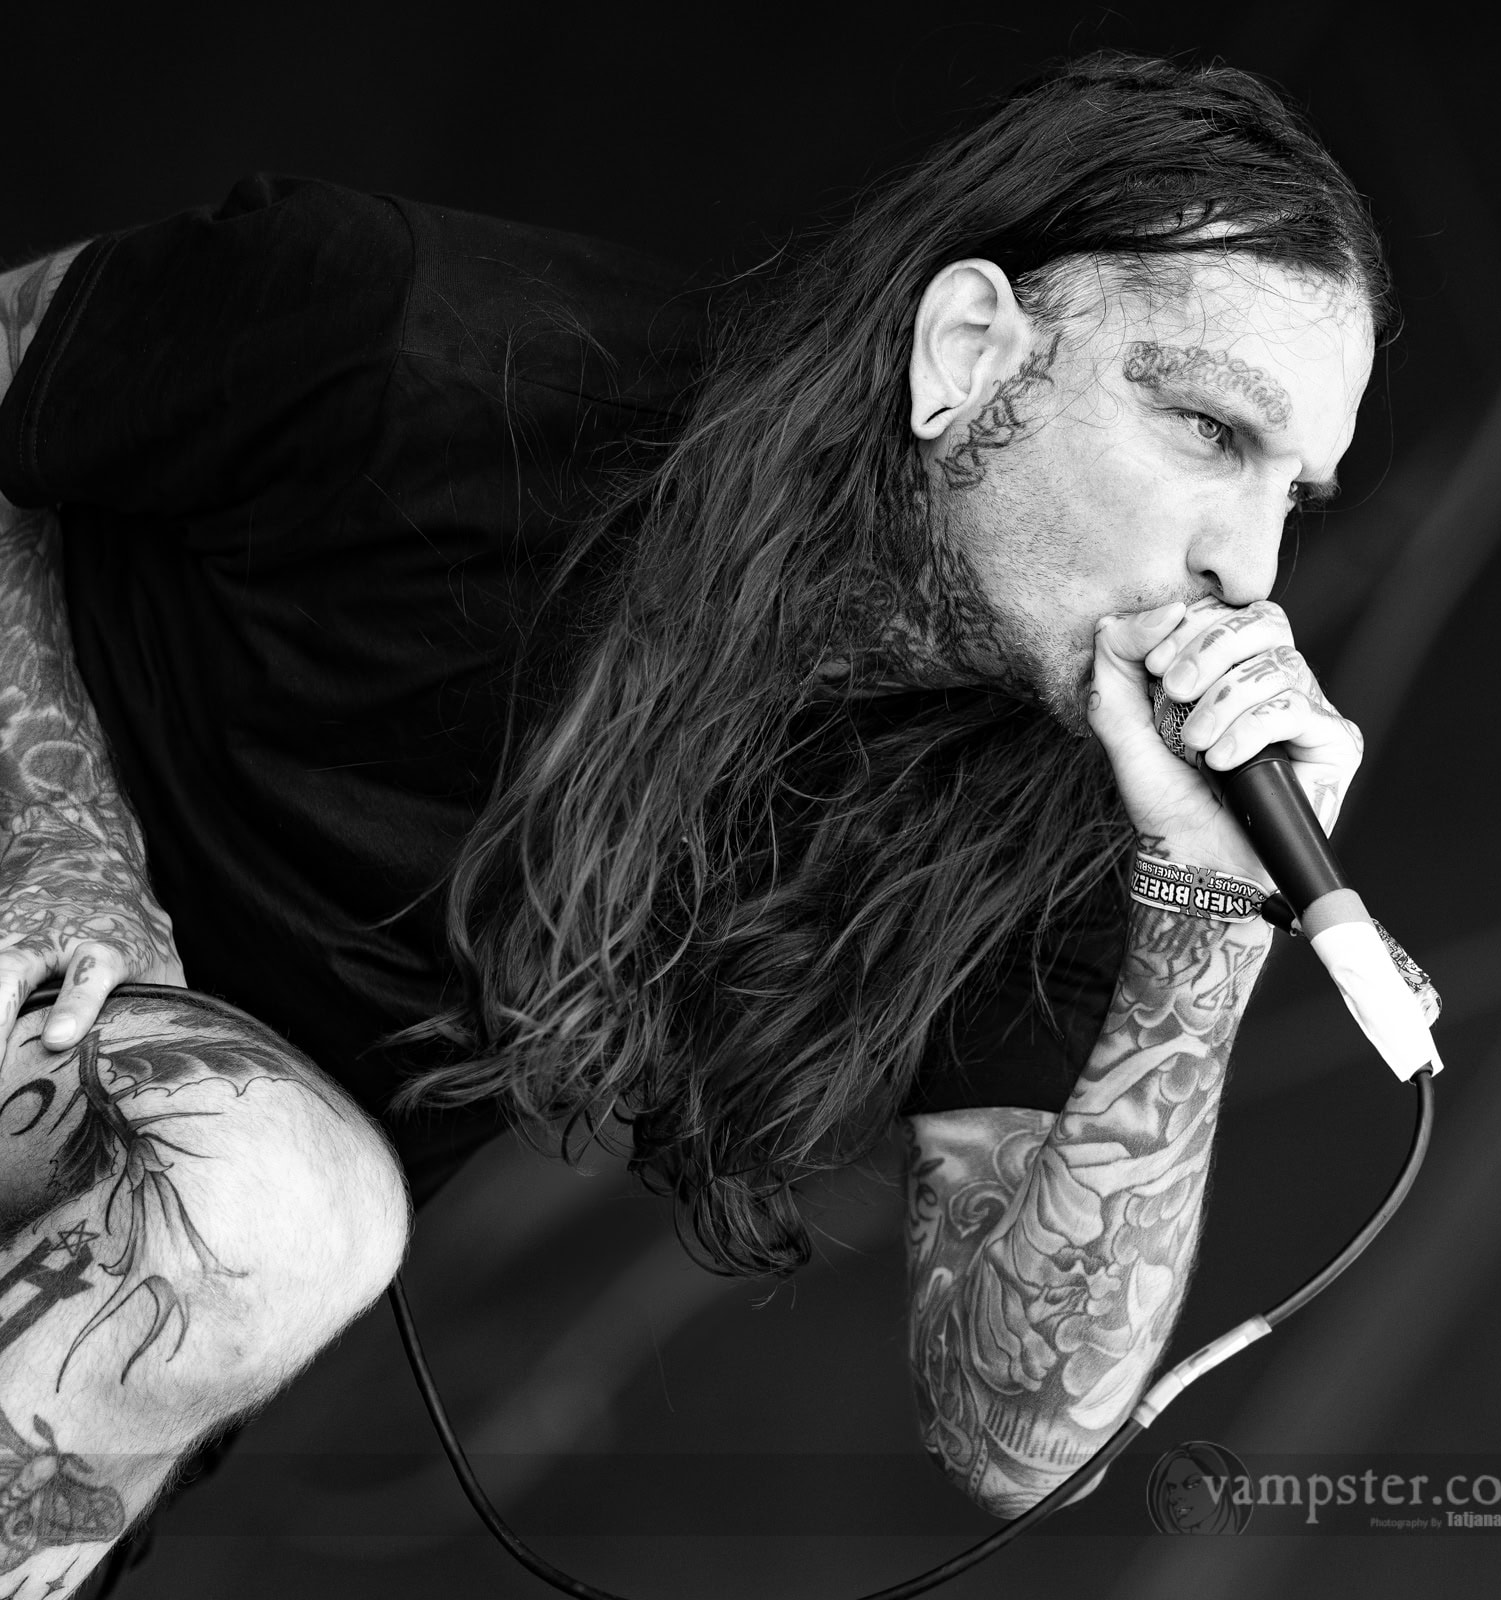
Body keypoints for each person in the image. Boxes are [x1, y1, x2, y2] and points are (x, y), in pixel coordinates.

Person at [0, 50, 1380, 1592]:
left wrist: (1211, 919)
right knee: (279, 1201)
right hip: (45, 942)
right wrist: (59, 842)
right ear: (971, 350)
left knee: (274, 1217)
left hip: (152, 1249)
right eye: (1210, 429)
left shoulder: (1038, 828)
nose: (1252, 568)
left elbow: (1021, 1433)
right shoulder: (429, 341)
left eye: (1295, 495)